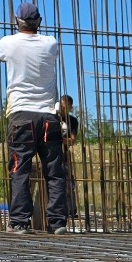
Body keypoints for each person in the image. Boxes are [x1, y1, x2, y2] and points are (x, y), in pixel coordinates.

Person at [0, 2, 64, 232]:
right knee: (54, 171)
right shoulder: (51, 43)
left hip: (21, 116)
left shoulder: (7, 43)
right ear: (40, 22)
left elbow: (1, 56)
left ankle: (19, 223)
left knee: (19, 171)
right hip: (48, 116)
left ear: (17, 21)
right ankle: (57, 223)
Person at [52, 94, 79, 229]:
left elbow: (72, 139)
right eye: (62, 106)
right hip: (50, 154)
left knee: (68, 181)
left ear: (70, 107)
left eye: (66, 107)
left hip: (64, 154)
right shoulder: (52, 118)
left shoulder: (72, 121)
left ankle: (70, 209)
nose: (63, 109)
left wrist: (59, 141)